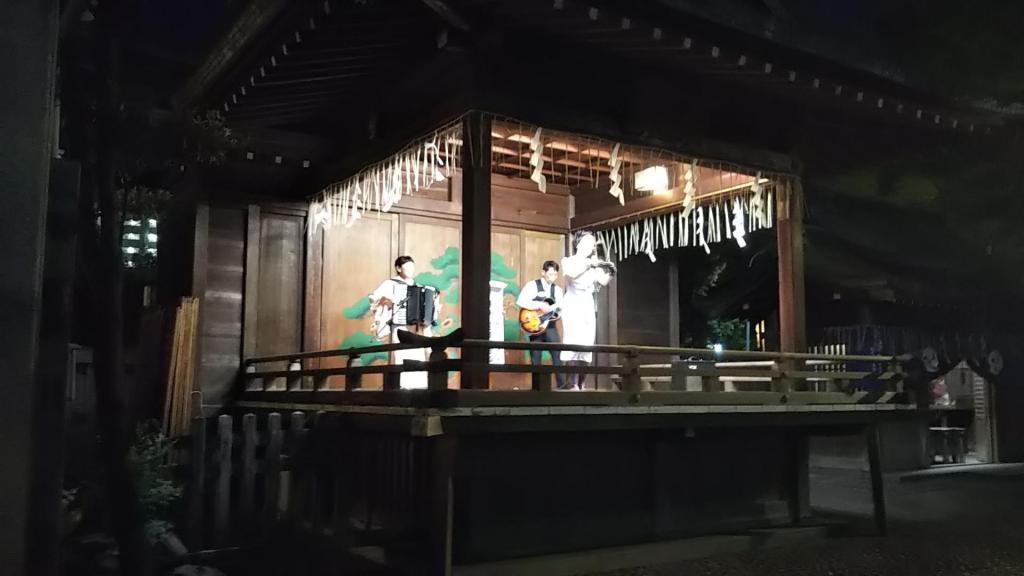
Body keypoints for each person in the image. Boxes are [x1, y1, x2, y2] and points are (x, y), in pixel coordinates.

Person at [369, 256, 440, 389]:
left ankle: (419, 386)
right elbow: (374, 298)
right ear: (398, 268)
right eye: (408, 266)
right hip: (400, 325)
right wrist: (389, 300)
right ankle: (401, 385)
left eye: (412, 267)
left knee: (418, 354)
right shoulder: (390, 284)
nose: (411, 270)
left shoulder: (418, 287)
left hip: (416, 327)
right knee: (400, 354)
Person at [559, 231, 613, 390]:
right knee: (573, 340)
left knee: (587, 342)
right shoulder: (568, 261)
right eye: (588, 242)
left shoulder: (593, 263)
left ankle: (581, 384)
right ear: (579, 243)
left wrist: (610, 271)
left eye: (592, 243)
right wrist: (590, 265)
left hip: (587, 303)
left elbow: (603, 282)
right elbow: (571, 275)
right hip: (573, 302)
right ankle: (571, 383)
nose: (591, 246)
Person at [516, 260, 568, 389]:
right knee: (535, 357)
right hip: (534, 324)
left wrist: (556, 310)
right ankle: (537, 387)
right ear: (543, 272)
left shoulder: (558, 290)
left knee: (557, 354)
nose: (553, 277)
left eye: (555, 274)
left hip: (550, 326)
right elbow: (521, 301)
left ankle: (562, 385)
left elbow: (560, 308)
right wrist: (539, 305)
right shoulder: (532, 285)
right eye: (550, 274)